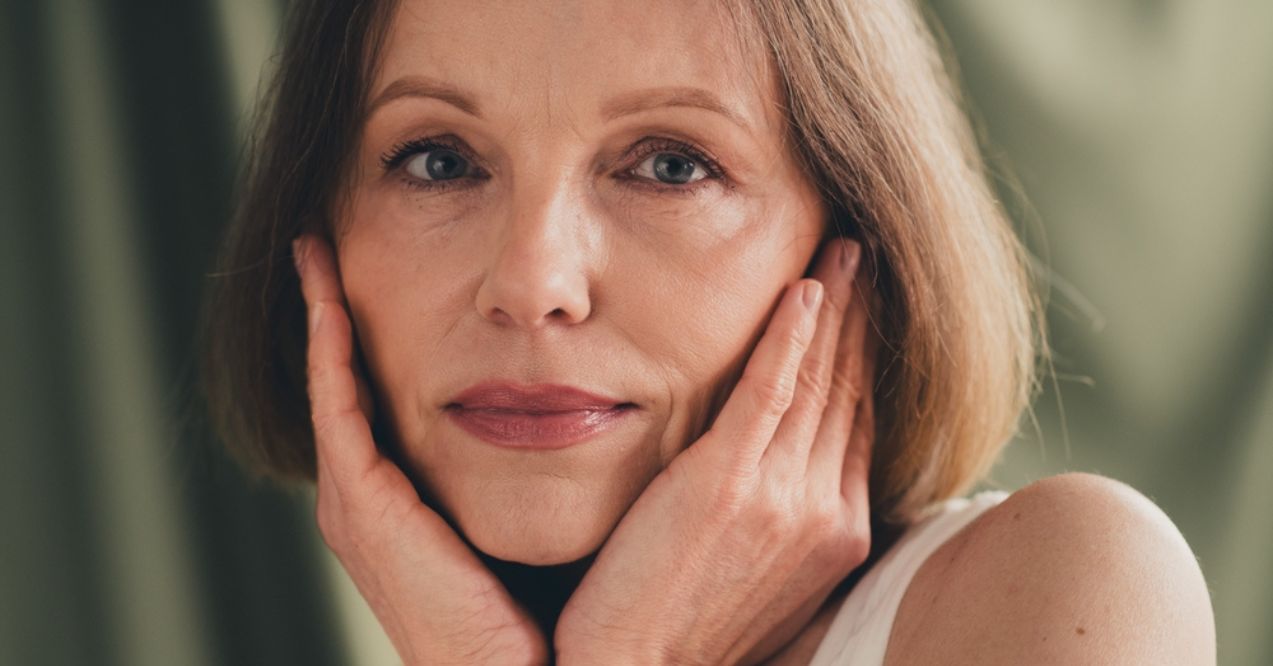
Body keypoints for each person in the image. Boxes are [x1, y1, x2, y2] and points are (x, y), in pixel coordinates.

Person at [200, 0, 1216, 663]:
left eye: (670, 165)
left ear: (853, 228)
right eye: (438, 161)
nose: (532, 282)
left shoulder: (1069, 584)